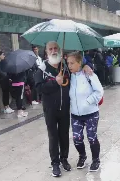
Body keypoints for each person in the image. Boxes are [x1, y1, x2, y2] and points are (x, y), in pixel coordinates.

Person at [34, 41, 92, 177]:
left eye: (56, 48)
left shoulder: (66, 67)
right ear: (47, 52)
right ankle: (55, 163)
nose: (54, 51)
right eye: (51, 49)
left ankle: (64, 159)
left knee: (64, 135)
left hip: (65, 108)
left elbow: (78, 71)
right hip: (50, 110)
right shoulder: (41, 69)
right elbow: (38, 89)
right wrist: (55, 82)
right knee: (53, 136)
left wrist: (86, 66)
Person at [67, 52, 103, 172]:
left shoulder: (89, 74)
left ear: (79, 63)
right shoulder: (69, 76)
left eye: (72, 63)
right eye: (68, 63)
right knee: (77, 138)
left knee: (92, 137)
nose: (69, 66)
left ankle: (96, 160)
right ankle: (82, 156)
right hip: (75, 115)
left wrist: (87, 102)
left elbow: (99, 91)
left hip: (91, 113)